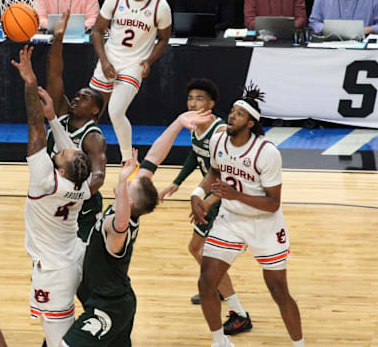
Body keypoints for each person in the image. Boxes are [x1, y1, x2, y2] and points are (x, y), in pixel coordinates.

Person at [61, 108, 214, 347]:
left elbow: (121, 223)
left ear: (129, 201)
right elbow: (154, 157)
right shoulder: (128, 207)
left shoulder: (117, 227)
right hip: (114, 298)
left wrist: (123, 181)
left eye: (130, 185)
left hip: (108, 307)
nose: (130, 179)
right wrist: (177, 123)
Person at [191, 85, 304, 347]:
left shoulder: (266, 153)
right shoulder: (218, 140)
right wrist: (199, 195)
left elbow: (273, 204)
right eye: (232, 111)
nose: (232, 116)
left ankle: (299, 344)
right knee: (206, 282)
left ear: (251, 123)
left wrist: (235, 195)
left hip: (264, 224)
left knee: (278, 290)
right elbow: (215, 172)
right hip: (231, 219)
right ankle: (220, 342)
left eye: (239, 114)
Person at [11, 45, 92, 347]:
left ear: (62, 167)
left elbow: (34, 127)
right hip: (76, 256)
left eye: (63, 153)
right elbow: (71, 151)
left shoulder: (45, 180)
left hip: (54, 272)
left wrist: (30, 84)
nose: (62, 148)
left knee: (59, 340)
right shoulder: (81, 186)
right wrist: (54, 120)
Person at [158, 79, 253, 336]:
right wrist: (177, 182)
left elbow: (227, 173)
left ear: (211, 103)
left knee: (205, 254)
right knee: (199, 250)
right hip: (211, 197)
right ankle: (217, 288)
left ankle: (239, 313)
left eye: (199, 98)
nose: (193, 103)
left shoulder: (220, 132)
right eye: (190, 98)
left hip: (223, 200)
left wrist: (206, 199)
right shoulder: (195, 126)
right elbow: (196, 154)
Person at [90, 0, 172, 164]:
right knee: (92, 111)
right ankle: (83, 152)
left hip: (134, 64)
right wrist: (104, 61)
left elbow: (164, 39)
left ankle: (128, 159)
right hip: (110, 59)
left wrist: (149, 60)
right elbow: (97, 31)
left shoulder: (160, 5)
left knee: (116, 111)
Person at [45, 11, 107, 242]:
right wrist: (58, 39)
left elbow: (98, 176)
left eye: (84, 98)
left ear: (95, 110)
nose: (77, 99)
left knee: (80, 254)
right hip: (55, 198)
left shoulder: (93, 137)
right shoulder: (61, 113)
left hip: (83, 206)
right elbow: (54, 74)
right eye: (77, 95)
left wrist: (74, 194)